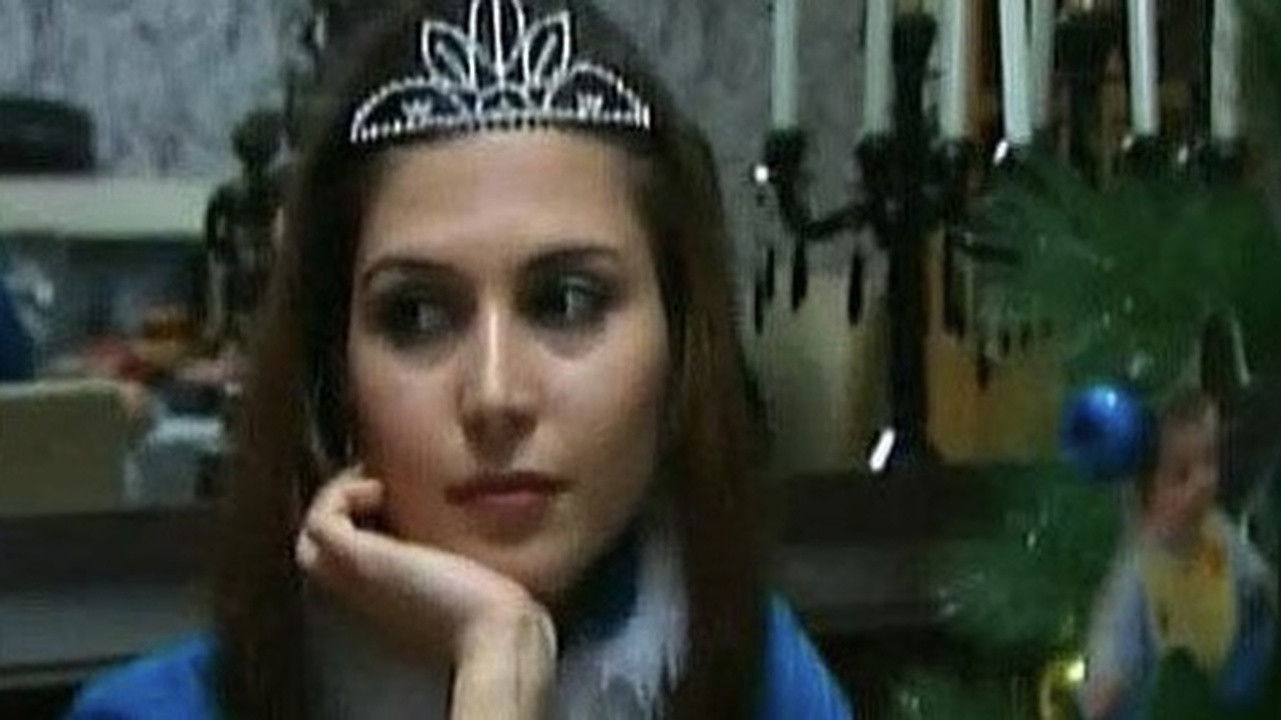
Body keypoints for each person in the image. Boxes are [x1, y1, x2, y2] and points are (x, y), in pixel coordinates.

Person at [67, 1, 853, 718]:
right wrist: (495, 665)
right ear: (332, 373)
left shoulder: (763, 679)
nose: (495, 394)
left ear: (678, 345)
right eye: (416, 316)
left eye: (566, 302)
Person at [1081, 390, 1277, 719]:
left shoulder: (1215, 529)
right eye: (1182, 475)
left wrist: (1266, 586)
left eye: (1209, 462)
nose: (1203, 482)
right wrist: (1105, 680)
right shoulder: (1139, 570)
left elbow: (1251, 572)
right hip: (1167, 685)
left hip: (1226, 659)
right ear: (1145, 497)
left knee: (1259, 634)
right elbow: (1113, 628)